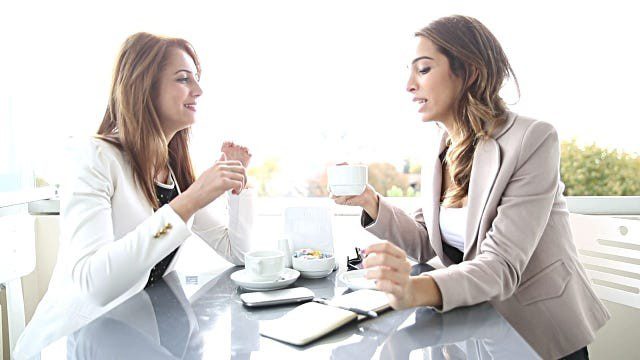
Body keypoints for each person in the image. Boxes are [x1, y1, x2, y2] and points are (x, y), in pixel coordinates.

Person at [333, 15, 609, 359]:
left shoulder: (533, 139)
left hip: (535, 333)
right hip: (474, 327)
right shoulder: (440, 148)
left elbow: (500, 266)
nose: (408, 84)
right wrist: (370, 201)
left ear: (468, 72)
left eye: (423, 69)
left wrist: (413, 290)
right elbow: (425, 242)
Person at [14, 32, 255, 358]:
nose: (198, 91)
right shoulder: (94, 157)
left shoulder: (172, 174)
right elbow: (95, 284)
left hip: (130, 340)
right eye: (183, 79)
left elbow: (237, 252)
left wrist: (239, 188)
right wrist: (187, 203)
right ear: (144, 85)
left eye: (196, 80)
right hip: (74, 343)